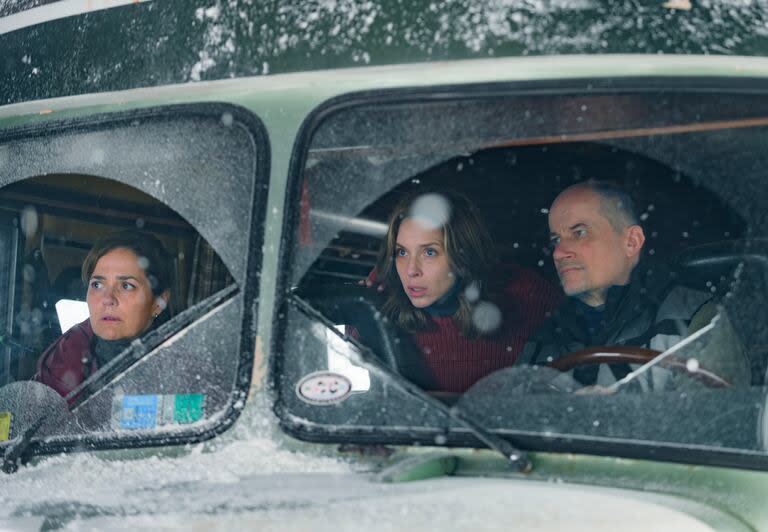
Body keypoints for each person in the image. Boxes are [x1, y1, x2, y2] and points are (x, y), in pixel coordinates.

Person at [516, 181, 750, 388]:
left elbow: (717, 424)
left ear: (631, 242)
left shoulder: (695, 318)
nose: (558, 252)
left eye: (580, 233)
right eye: (556, 239)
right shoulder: (548, 333)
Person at [369, 189, 561, 393]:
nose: (411, 270)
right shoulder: (380, 294)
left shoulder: (527, 294)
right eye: (402, 252)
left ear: (463, 254)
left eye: (429, 252)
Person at [34, 230, 172, 403]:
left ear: (159, 302)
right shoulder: (56, 368)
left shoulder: (182, 374)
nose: (108, 299)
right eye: (97, 284)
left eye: (127, 286)